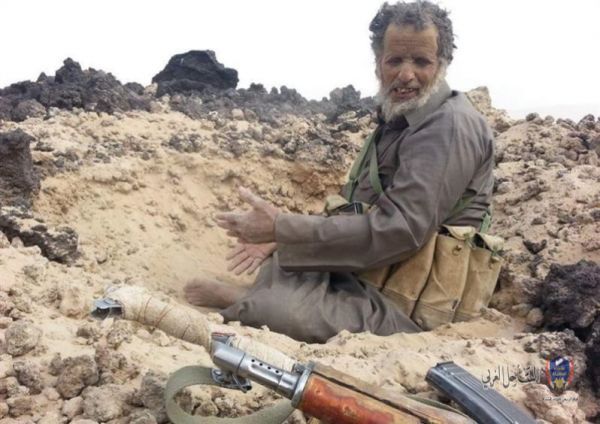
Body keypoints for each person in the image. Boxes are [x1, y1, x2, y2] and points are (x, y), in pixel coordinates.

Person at [184, 1, 495, 343]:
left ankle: (248, 302)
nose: (406, 75)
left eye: (421, 62)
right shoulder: (401, 118)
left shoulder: (447, 127)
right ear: (378, 64)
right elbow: (357, 209)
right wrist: (281, 237)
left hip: (409, 300)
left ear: (442, 65)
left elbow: (400, 231)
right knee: (288, 259)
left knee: (288, 312)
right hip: (375, 269)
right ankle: (265, 294)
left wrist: (281, 227)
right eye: (395, 61)